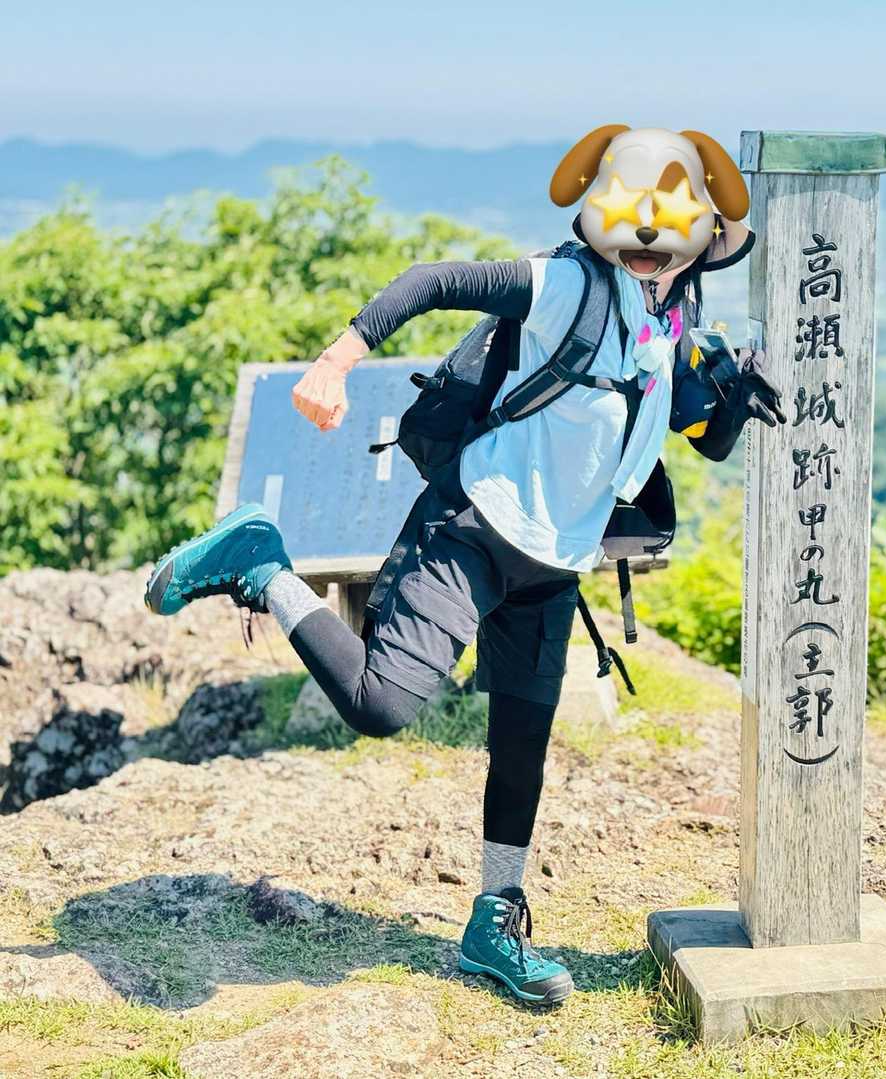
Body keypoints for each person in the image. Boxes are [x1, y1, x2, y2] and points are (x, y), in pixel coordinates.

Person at [143, 126, 786, 1005]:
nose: (650, 258)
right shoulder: (568, 286)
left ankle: (495, 923)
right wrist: (339, 358)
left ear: (701, 247)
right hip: (473, 527)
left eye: (670, 247)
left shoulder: (668, 324)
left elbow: (695, 438)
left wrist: (735, 401)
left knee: (520, 750)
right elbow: (434, 281)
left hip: (554, 565)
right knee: (380, 704)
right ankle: (262, 564)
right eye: (638, 241)